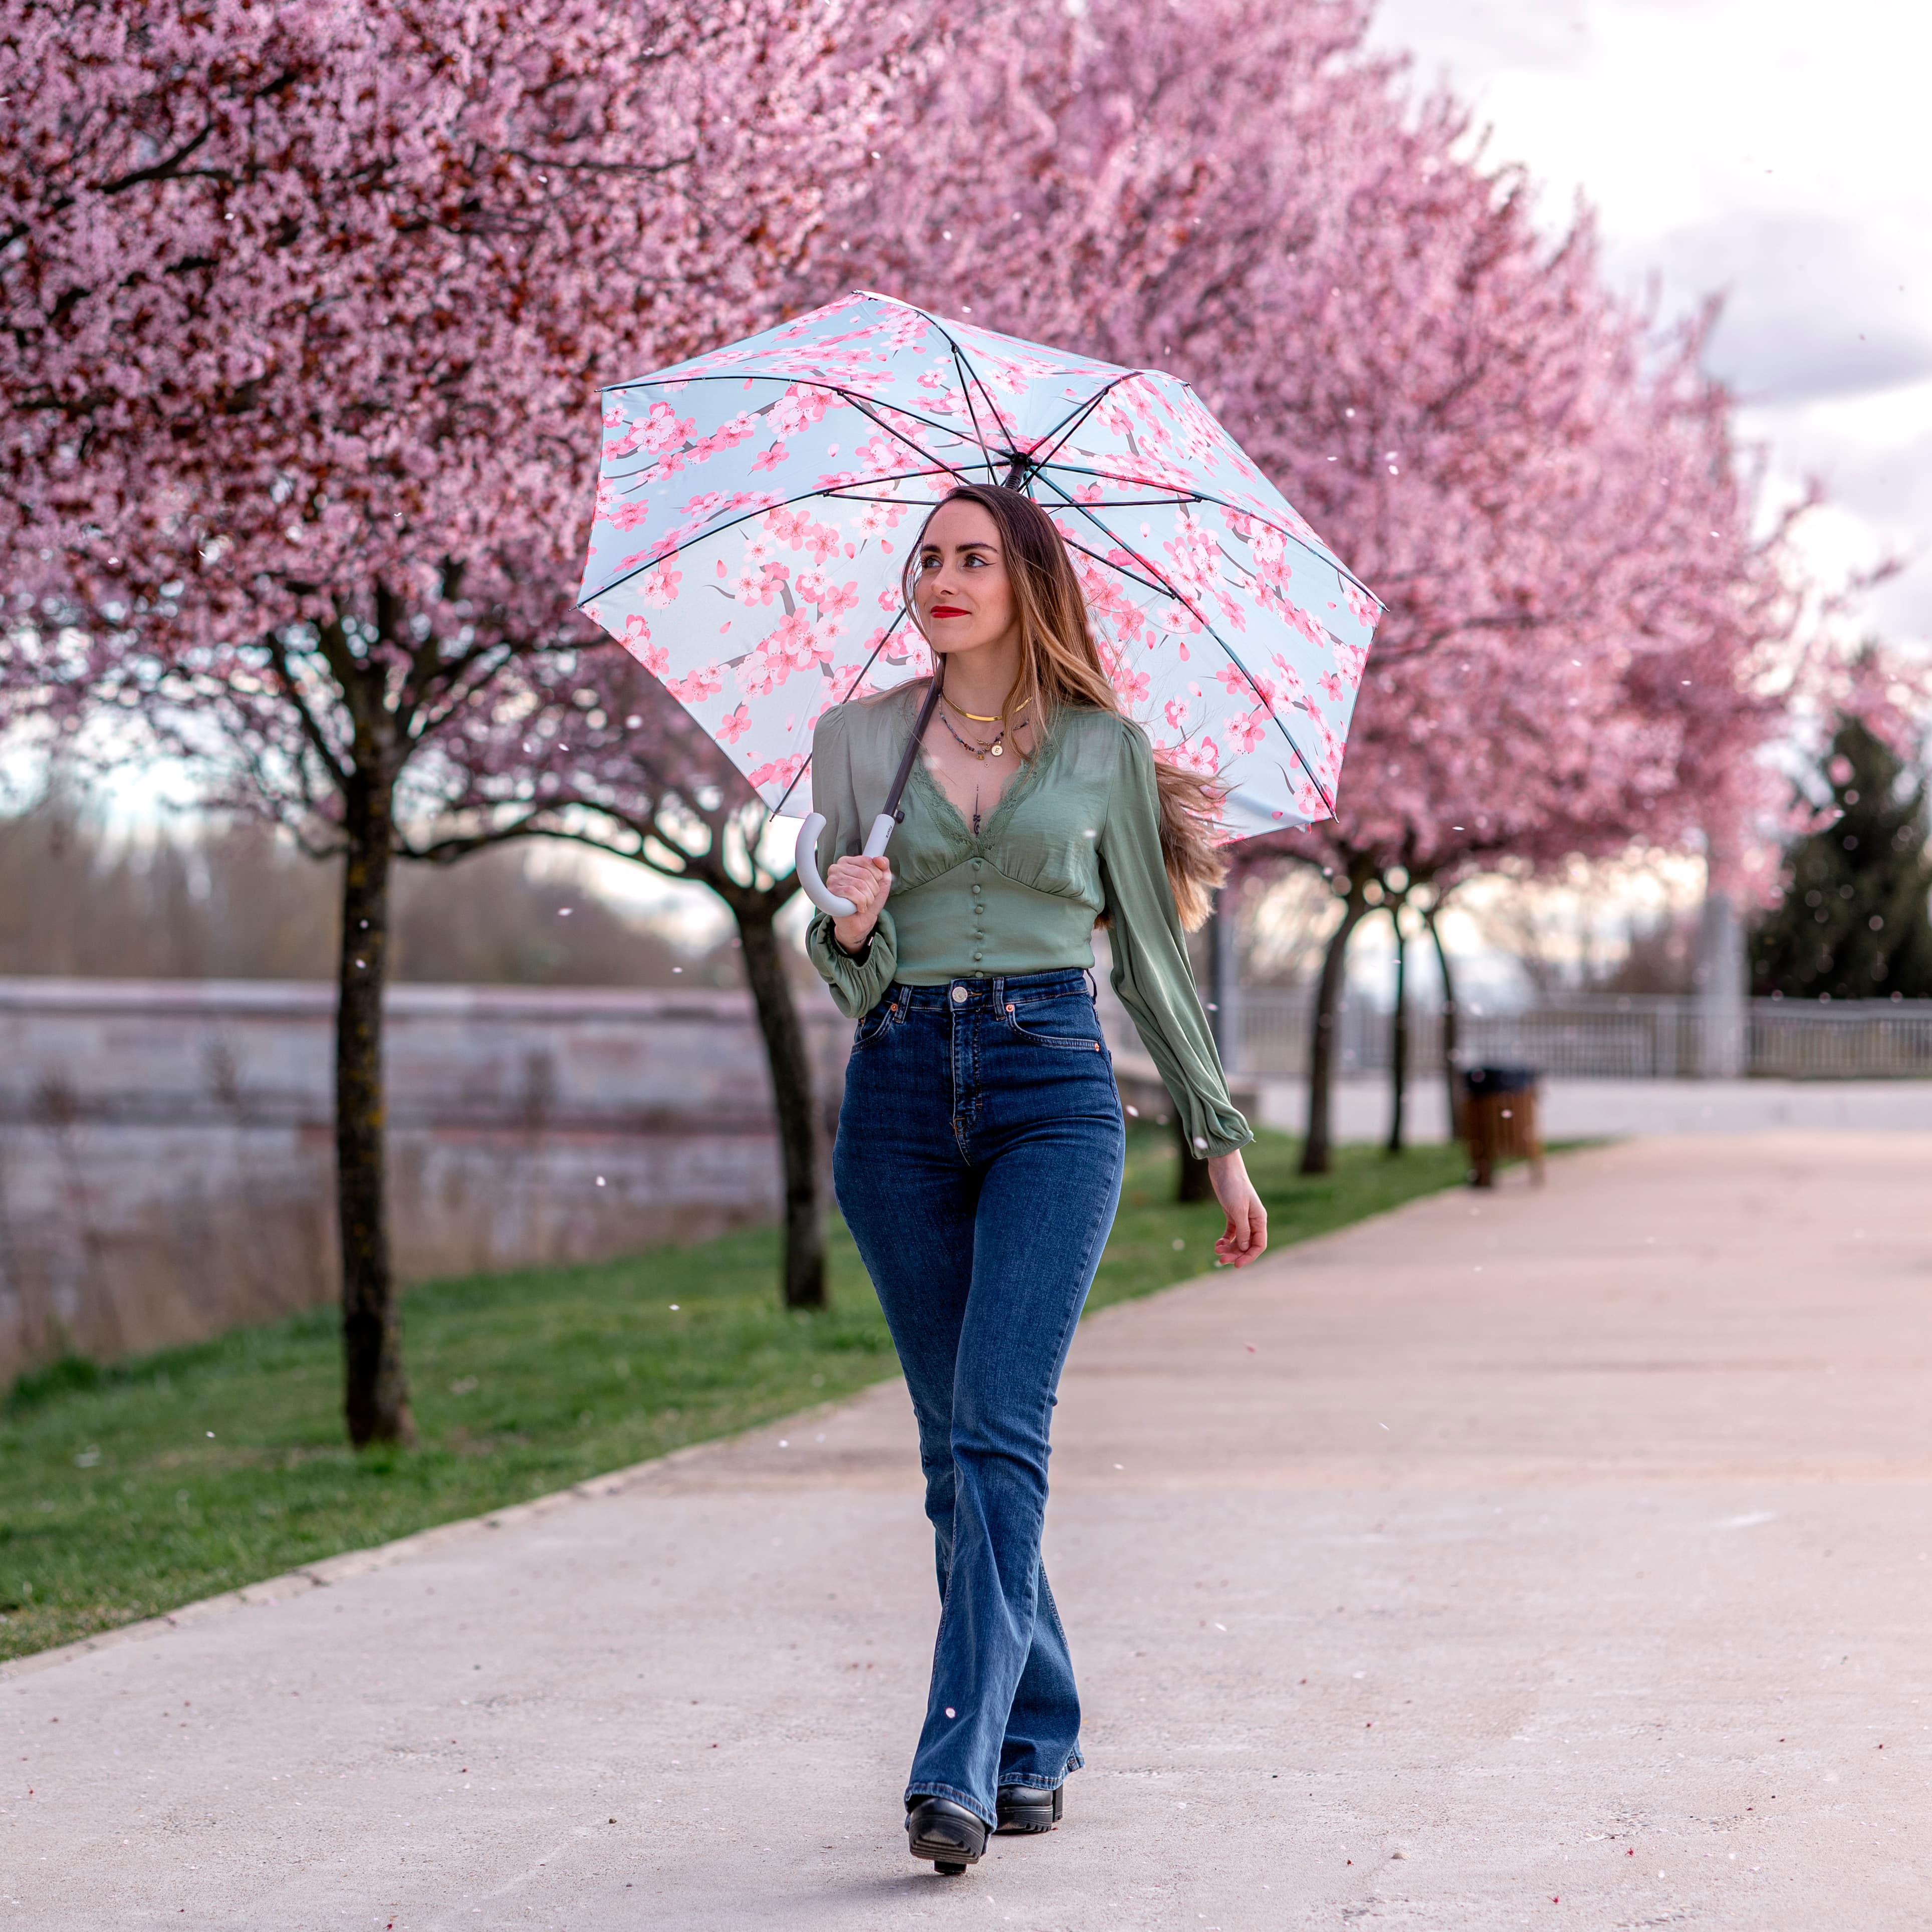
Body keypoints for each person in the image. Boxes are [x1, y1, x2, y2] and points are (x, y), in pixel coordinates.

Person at [805, 482, 1268, 1875]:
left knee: (1003, 1427)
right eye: (927, 558)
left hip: (1053, 1091)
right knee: (959, 1459)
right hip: (895, 1096)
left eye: (972, 558)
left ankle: (960, 1759)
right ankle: (1041, 1724)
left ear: (1028, 584)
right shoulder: (858, 742)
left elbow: (1151, 962)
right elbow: (844, 976)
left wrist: (1220, 1137)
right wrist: (854, 921)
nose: (941, 578)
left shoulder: (1104, 752)